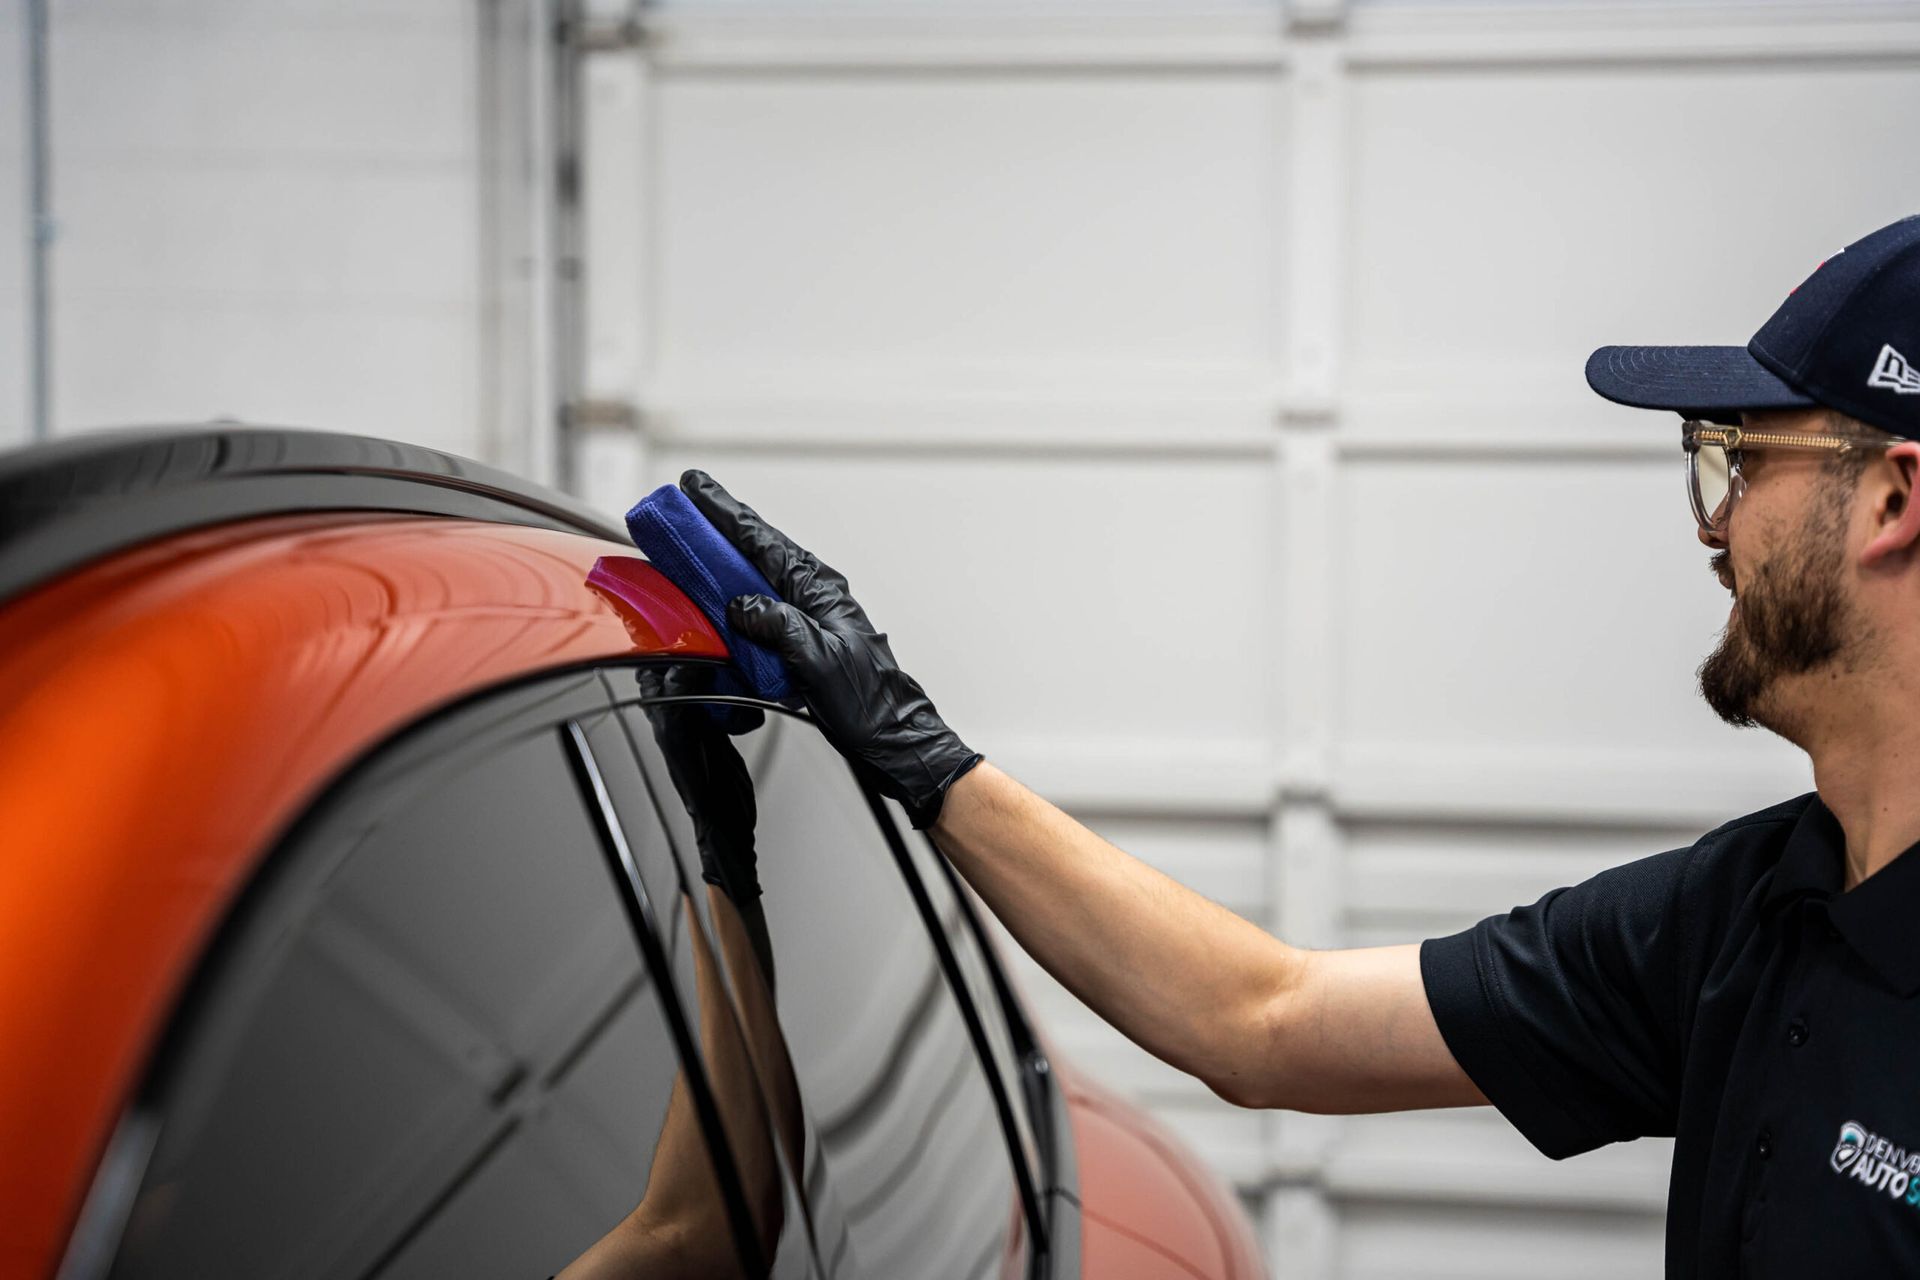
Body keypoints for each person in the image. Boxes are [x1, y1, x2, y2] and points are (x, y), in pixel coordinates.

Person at [681, 212, 1920, 1278]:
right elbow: (1266, 1019)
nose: (1716, 526)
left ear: (1891, 498)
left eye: (1743, 457)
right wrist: (920, 753)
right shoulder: (1751, 912)